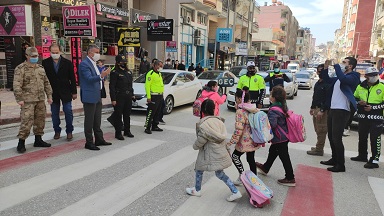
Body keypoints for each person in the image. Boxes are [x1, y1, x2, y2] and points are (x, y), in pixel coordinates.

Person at [186, 99, 242, 202]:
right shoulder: (219, 121)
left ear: (202, 110)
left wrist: (195, 146)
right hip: (219, 152)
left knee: (199, 170)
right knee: (220, 173)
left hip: (208, 153)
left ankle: (197, 190)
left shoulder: (204, 124)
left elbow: (201, 140)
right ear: (214, 109)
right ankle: (235, 191)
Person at [320, 58, 360, 172]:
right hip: (333, 109)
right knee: (331, 136)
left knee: (337, 138)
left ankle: (341, 165)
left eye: (344, 63)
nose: (342, 64)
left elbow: (343, 79)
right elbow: (327, 79)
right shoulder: (339, 78)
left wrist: (337, 65)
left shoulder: (354, 76)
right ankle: (334, 158)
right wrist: (326, 68)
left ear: (350, 66)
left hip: (342, 110)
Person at [13, 47, 53, 153]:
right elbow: (17, 85)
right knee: (26, 122)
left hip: (40, 99)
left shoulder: (40, 68)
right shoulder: (20, 68)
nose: (35, 58)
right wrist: (19, 99)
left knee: (40, 121)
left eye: (36, 56)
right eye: (33, 56)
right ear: (27, 56)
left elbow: (46, 83)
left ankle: (38, 140)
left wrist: (49, 96)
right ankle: (21, 142)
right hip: (27, 101)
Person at [256, 86, 296, 186]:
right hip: (283, 136)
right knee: (273, 151)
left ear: (274, 97)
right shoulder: (282, 106)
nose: (269, 95)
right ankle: (266, 167)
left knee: (284, 156)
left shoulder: (274, 109)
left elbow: (272, 124)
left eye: (271, 94)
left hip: (280, 138)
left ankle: (290, 177)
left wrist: (263, 121)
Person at [78, 45, 112, 150]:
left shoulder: (94, 64)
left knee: (97, 119)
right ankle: (89, 142)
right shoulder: (84, 64)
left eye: (98, 52)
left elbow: (98, 78)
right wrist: (102, 75)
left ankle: (99, 139)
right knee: (89, 120)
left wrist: (103, 75)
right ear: (89, 53)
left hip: (97, 94)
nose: (98, 54)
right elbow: (88, 78)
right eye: (96, 52)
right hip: (89, 96)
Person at [42, 44, 77, 141]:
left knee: (68, 111)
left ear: (60, 51)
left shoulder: (67, 63)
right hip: (53, 92)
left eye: (56, 52)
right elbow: (44, 79)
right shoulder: (45, 63)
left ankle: (69, 131)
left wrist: (74, 92)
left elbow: (72, 78)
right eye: (53, 52)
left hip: (66, 91)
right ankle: (57, 131)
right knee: (54, 113)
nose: (55, 54)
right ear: (50, 52)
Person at [351, 67, 384, 169]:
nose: (375, 77)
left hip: (376, 118)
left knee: (375, 139)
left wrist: (373, 107)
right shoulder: (360, 87)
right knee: (362, 137)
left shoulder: (382, 87)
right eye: (372, 75)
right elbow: (354, 98)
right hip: (362, 117)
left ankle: (374, 160)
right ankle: (362, 156)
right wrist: (359, 102)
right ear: (366, 76)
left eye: (376, 74)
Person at [227, 86, 260, 185]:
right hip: (254, 139)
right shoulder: (253, 109)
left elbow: (238, 130)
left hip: (244, 141)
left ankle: (242, 176)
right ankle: (255, 180)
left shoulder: (240, 111)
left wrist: (231, 142)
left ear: (238, 99)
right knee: (250, 159)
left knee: (235, 156)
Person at [108, 55, 135, 140]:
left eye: (124, 62)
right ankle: (118, 133)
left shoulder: (128, 72)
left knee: (127, 115)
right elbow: (112, 86)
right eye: (121, 62)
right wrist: (113, 99)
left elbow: (130, 85)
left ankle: (127, 131)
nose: (123, 63)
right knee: (118, 115)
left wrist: (132, 94)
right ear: (118, 62)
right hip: (119, 96)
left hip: (128, 96)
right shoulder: (115, 72)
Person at [307, 64, 329, 156]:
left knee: (321, 130)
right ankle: (318, 146)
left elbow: (328, 99)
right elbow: (315, 97)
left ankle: (319, 149)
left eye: (322, 71)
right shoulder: (318, 82)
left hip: (322, 110)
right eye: (319, 71)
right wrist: (312, 107)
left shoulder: (327, 83)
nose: (320, 73)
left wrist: (322, 110)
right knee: (317, 129)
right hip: (316, 108)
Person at [144, 60, 164, 134]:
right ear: (155, 65)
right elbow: (147, 86)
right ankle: (147, 127)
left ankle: (155, 126)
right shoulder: (150, 73)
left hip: (159, 95)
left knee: (157, 112)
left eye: (161, 66)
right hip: (153, 96)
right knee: (151, 112)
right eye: (159, 65)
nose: (160, 67)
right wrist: (148, 97)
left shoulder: (159, 73)